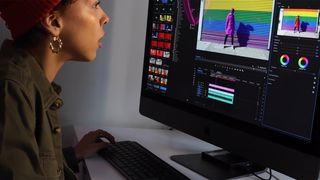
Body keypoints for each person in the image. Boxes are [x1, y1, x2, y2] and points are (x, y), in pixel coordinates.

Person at [0, 0, 116, 179]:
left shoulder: (29, 80)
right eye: (94, 5)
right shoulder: (11, 89)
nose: (105, 18)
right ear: (54, 22)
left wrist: (72, 154)